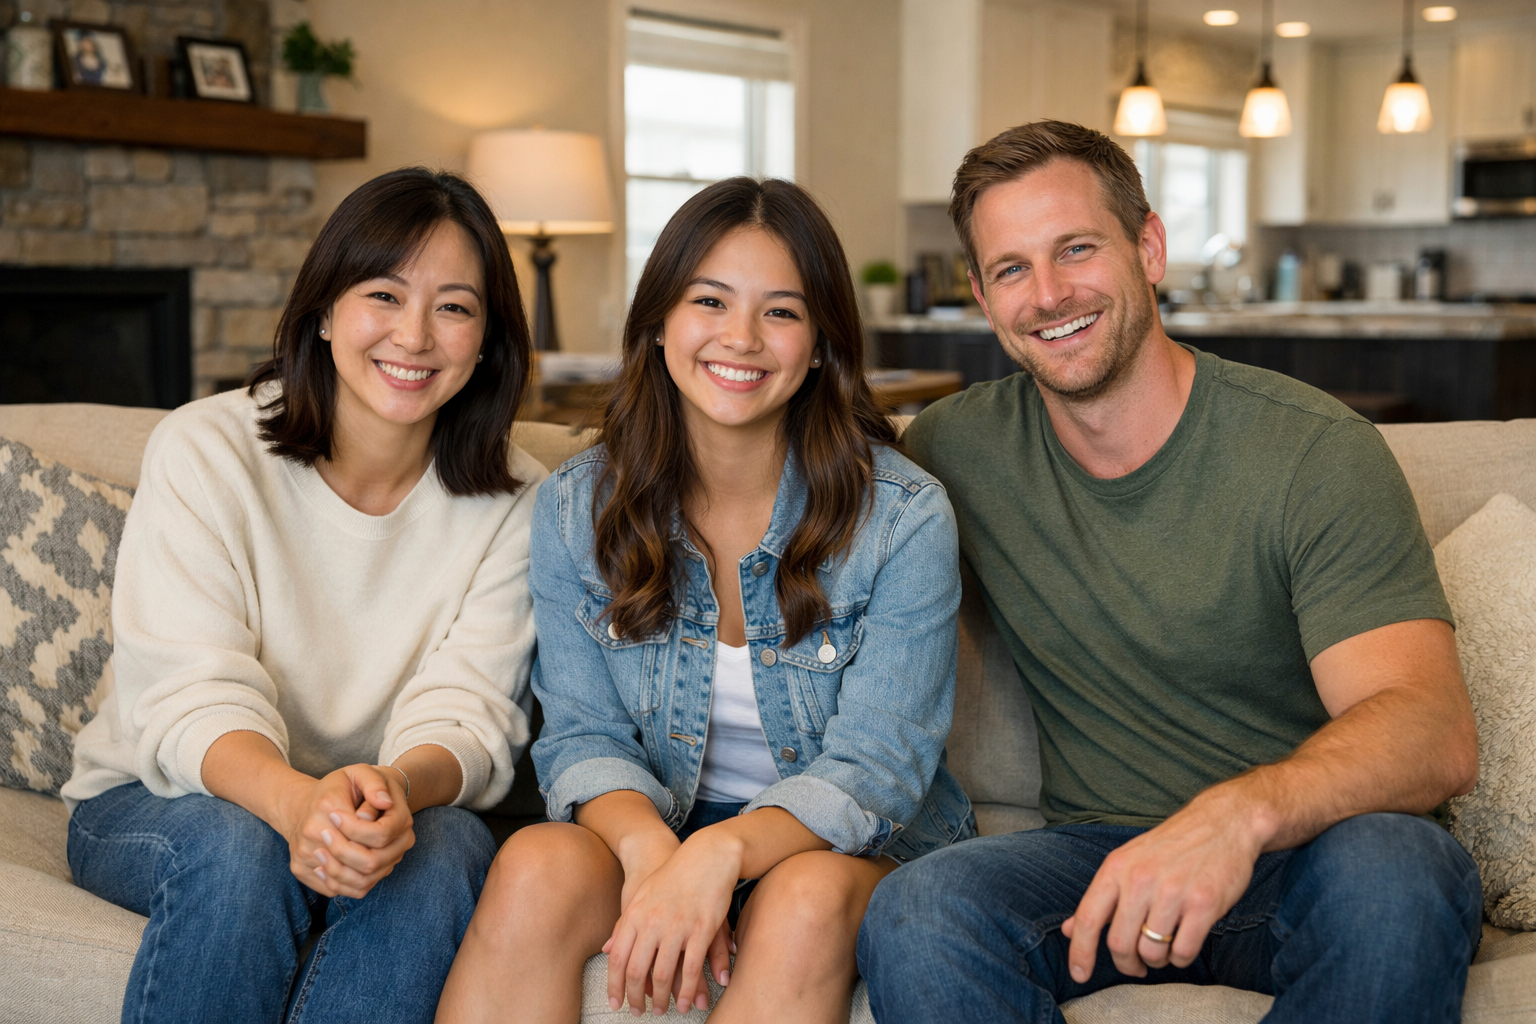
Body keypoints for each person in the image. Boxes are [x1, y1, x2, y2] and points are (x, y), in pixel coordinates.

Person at [857, 120, 1483, 1024]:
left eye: (1076, 248)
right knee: (917, 909)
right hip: (1094, 859)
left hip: (1316, 854)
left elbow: (1431, 729)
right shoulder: (955, 452)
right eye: (1012, 268)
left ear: (1148, 248)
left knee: (1400, 875)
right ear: (983, 297)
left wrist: (1237, 818)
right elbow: (797, 513)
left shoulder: (1313, 451)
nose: (1048, 294)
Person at [437, 177, 974, 1024]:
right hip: (659, 815)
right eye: (710, 300)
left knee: (800, 903)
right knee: (536, 864)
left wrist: (719, 855)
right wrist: (655, 849)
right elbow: (583, 735)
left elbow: (878, 770)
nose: (742, 338)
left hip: (841, 844)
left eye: (782, 312)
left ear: (823, 343)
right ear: (657, 323)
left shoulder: (903, 518)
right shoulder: (577, 507)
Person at [61, 167, 546, 1024]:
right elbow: (187, 694)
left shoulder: (520, 501)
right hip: (165, 796)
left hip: (384, 805)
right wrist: (297, 807)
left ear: (487, 340)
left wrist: (389, 794)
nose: (416, 335)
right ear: (325, 310)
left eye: (455, 307)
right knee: (241, 848)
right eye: (383, 294)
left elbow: (470, 712)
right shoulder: (206, 451)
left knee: (450, 848)